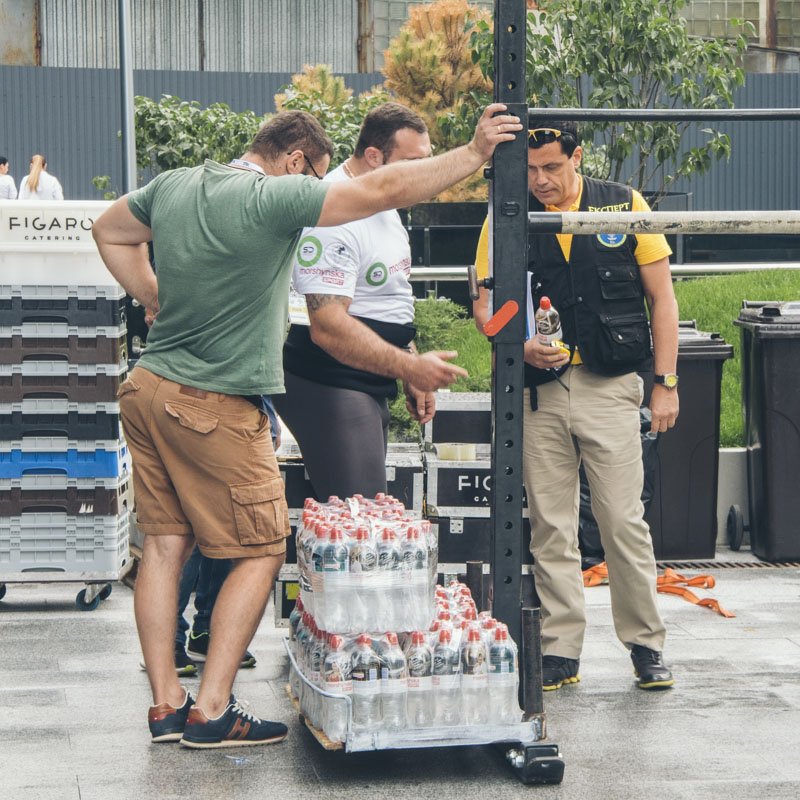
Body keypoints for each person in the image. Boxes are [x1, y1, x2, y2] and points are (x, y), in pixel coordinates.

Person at [91, 104, 521, 749]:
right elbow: (379, 188)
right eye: (317, 176)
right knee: (263, 548)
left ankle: (165, 705)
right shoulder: (272, 198)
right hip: (213, 400)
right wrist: (473, 154)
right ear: (296, 162)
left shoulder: (176, 183)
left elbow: (108, 230)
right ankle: (211, 711)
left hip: (148, 387)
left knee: (163, 545)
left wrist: (155, 297)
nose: (319, 192)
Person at [471, 121, 679, 692]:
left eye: (551, 168)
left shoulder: (623, 204)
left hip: (610, 384)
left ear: (577, 158)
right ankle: (561, 651)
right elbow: (483, 300)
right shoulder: (505, 213)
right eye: (530, 171)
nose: (539, 181)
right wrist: (511, 343)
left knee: (622, 520)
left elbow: (661, 298)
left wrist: (665, 382)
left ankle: (645, 646)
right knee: (551, 528)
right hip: (538, 391)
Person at [274, 103, 435, 499]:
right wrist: (409, 365)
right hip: (329, 381)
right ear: (374, 157)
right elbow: (328, 326)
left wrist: (409, 366)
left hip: (368, 379)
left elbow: (386, 299)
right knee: (360, 524)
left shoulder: (386, 201)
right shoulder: (335, 210)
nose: (426, 177)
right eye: (413, 164)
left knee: (361, 524)